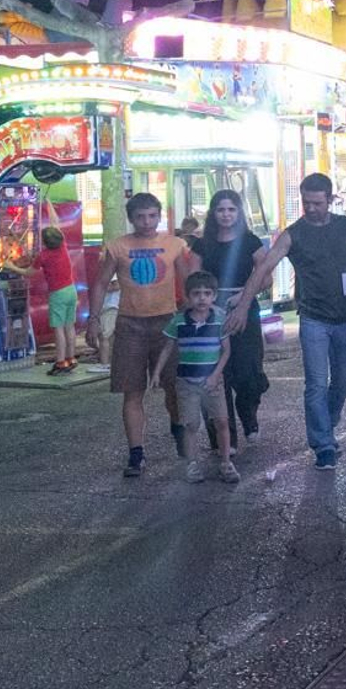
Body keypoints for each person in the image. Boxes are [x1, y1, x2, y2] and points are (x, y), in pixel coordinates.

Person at [228, 173, 346, 470]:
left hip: (345, 317)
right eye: (306, 203)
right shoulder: (293, 234)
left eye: (317, 202)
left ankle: (326, 428)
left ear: (330, 200)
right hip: (313, 318)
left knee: (341, 382)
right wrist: (242, 305)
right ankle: (323, 445)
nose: (311, 208)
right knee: (316, 384)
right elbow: (264, 267)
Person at [88, 193, 195, 477]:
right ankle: (136, 453)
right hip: (130, 325)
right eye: (140, 217)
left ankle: (177, 429)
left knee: (174, 389)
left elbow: (189, 284)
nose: (146, 222)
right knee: (132, 392)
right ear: (131, 218)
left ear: (159, 216)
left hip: (167, 325)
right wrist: (93, 320)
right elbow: (100, 284)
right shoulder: (117, 247)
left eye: (151, 216)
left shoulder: (174, 244)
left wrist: (195, 318)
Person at [189, 190, 269, 449]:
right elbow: (192, 278)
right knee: (214, 374)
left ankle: (249, 416)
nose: (226, 215)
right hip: (210, 312)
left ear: (239, 212)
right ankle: (224, 439)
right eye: (221, 210)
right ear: (213, 213)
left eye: (231, 210)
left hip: (244, 308)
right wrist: (206, 302)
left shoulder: (250, 242)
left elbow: (265, 277)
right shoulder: (201, 245)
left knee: (248, 372)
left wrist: (244, 296)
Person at [152, 271, 238, 484]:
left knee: (221, 421)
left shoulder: (220, 320)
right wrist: (156, 373)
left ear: (214, 296)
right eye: (196, 293)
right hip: (186, 382)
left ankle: (226, 462)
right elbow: (167, 348)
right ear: (187, 297)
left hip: (212, 381)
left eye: (207, 293)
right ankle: (192, 464)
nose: (202, 298)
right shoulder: (178, 322)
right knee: (190, 424)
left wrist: (215, 375)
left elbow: (226, 351)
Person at [6, 226, 79, 375]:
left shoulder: (43, 255)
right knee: (69, 326)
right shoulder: (63, 246)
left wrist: (11, 266)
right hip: (71, 290)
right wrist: (48, 203)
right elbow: (55, 222)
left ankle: (60, 362)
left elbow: (28, 272)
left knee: (58, 328)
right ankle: (71, 358)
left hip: (58, 294)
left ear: (44, 241)